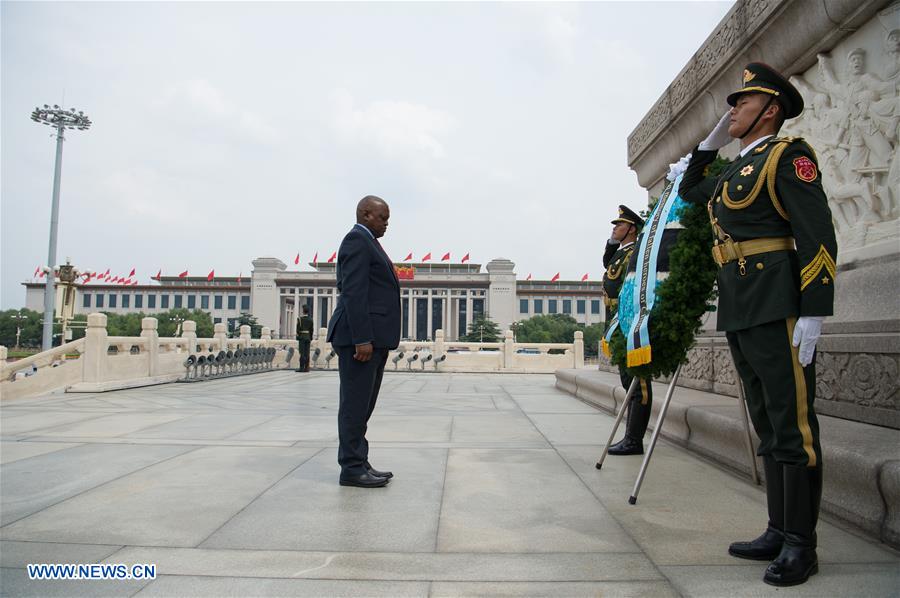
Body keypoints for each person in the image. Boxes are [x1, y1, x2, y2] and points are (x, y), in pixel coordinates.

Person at [679, 63, 837, 587]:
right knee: (767, 423)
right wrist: (712, 139)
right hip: (742, 304)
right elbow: (690, 190)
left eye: (741, 104)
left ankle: (801, 544)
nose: (732, 111)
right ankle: (777, 527)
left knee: (793, 426)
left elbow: (817, 234)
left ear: (769, 109)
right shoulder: (735, 170)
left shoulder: (788, 157)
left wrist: (814, 311)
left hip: (778, 302)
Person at [327, 195, 401, 488]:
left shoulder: (367, 240)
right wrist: (362, 339)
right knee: (355, 405)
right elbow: (354, 292)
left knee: (363, 405)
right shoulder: (357, 240)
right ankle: (351, 468)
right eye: (383, 218)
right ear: (366, 214)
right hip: (360, 339)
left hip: (373, 338)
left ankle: (359, 460)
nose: (386, 225)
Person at [602, 205, 652, 456]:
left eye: (618, 225)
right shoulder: (623, 252)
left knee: (638, 383)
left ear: (631, 229)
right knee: (628, 381)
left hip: (629, 321)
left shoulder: (638, 251)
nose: (614, 229)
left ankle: (634, 439)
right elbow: (607, 265)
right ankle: (630, 436)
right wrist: (611, 243)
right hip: (617, 321)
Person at [295, 305, 313, 372]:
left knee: (302, 353)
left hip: (302, 337)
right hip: (308, 337)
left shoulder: (300, 319)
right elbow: (311, 330)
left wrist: (299, 336)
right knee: (307, 353)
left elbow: (298, 330)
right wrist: (310, 337)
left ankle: (301, 367)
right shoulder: (311, 319)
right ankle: (307, 367)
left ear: (303, 311)